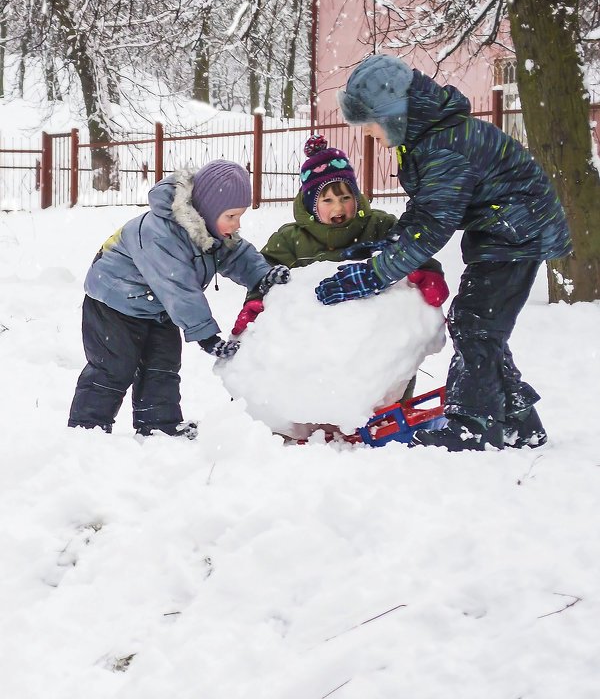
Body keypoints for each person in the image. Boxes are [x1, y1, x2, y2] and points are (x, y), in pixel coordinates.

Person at [315, 54, 572, 451]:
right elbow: (424, 211)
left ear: (395, 115)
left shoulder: (443, 148)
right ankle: (519, 422)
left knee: (475, 325)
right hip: (504, 229)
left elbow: (434, 227)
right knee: (480, 326)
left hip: (517, 233)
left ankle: (471, 425)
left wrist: (373, 276)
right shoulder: (429, 138)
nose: (369, 135)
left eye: (371, 124)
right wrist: (389, 245)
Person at [68, 160, 290, 438]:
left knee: (163, 364)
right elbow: (178, 286)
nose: (237, 224)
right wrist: (207, 336)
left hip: (157, 306)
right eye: (232, 216)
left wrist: (263, 276)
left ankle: (158, 426)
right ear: (208, 209)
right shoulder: (159, 232)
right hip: (114, 301)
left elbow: (237, 254)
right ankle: (87, 429)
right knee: (114, 367)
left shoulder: (210, 228)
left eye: (240, 216)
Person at [232, 134, 449, 403]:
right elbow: (262, 273)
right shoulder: (289, 240)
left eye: (346, 197)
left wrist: (427, 270)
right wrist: (255, 302)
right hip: (315, 349)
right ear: (312, 205)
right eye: (327, 201)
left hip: (372, 342)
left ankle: (391, 402)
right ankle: (307, 412)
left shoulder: (378, 226)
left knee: (392, 343)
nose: (339, 207)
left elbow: (411, 246)